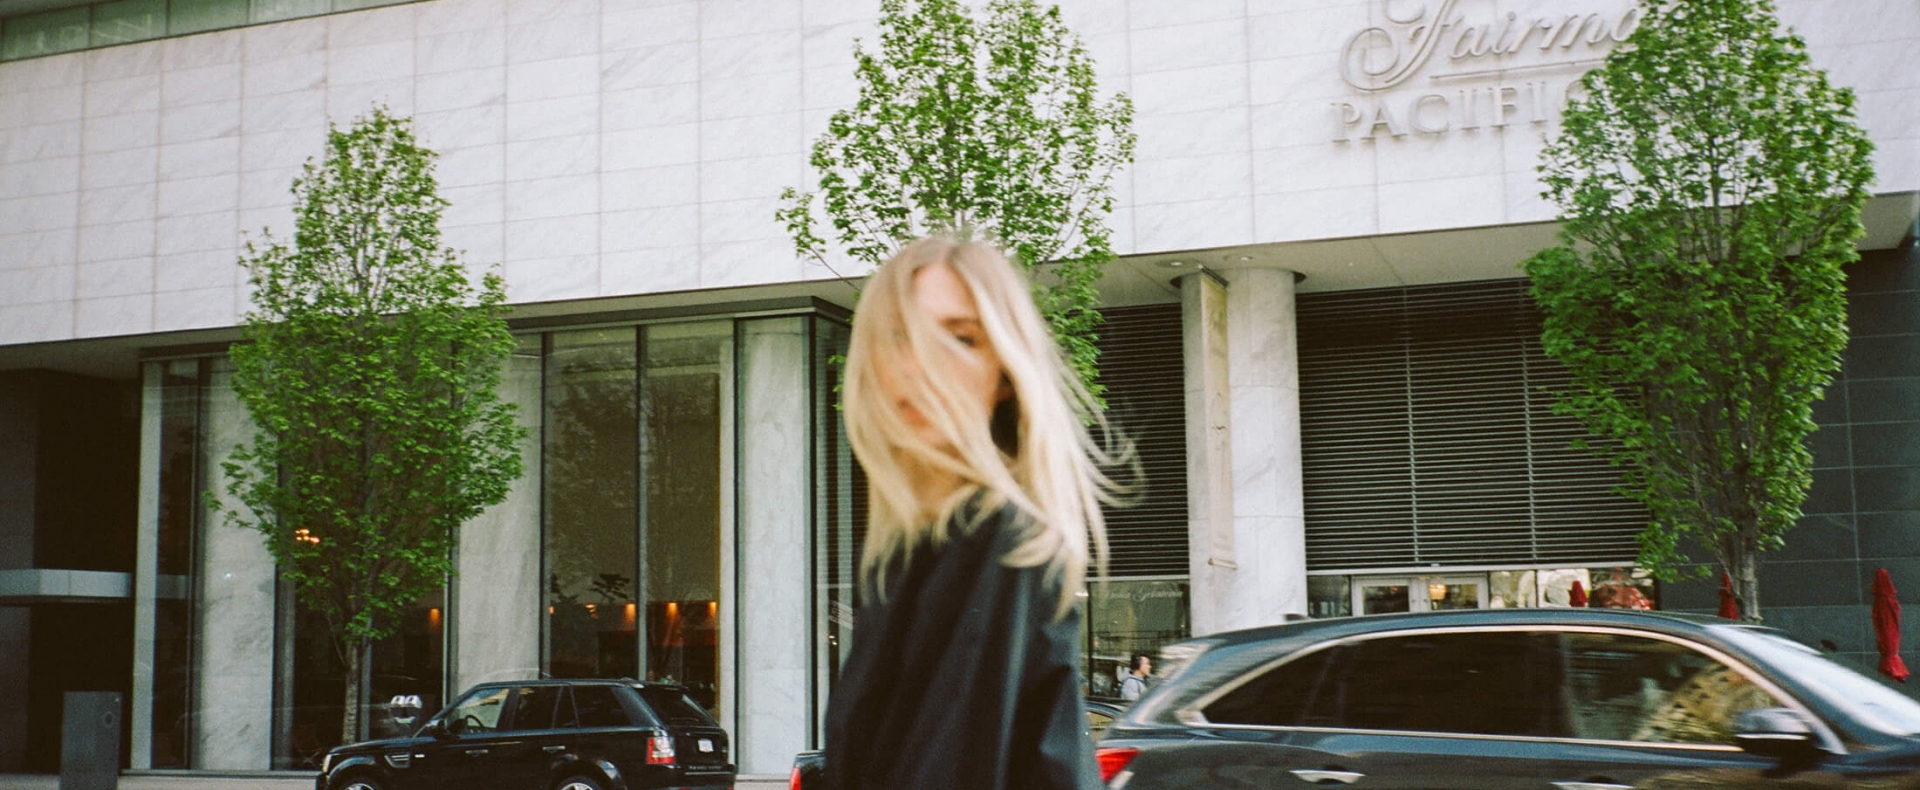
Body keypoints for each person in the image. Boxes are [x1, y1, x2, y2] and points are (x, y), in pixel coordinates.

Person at [822, 237, 1126, 790]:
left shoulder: (995, 535)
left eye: (960, 338)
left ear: (1006, 373)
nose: (919, 367)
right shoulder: (912, 548)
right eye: (899, 336)